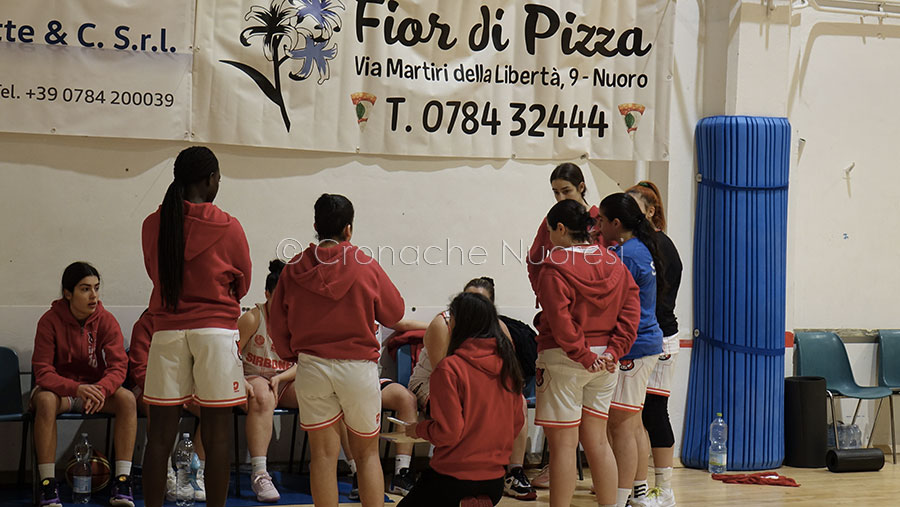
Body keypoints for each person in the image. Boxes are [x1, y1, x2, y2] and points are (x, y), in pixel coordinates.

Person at [268, 193, 405, 507]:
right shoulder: (364, 263)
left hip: (313, 367)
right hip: (357, 368)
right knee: (367, 454)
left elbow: (278, 326)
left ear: (315, 226)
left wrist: (294, 355)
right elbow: (395, 313)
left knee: (323, 457)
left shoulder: (293, 269)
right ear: (349, 229)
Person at [141, 146, 252, 507]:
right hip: (216, 332)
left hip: (167, 331)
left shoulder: (153, 224)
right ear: (210, 179)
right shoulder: (229, 225)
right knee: (219, 437)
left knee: (158, 438)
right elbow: (243, 283)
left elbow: (156, 275)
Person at [533, 200, 641, 507]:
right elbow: (632, 312)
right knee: (597, 441)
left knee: (564, 447)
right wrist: (613, 351)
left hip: (565, 359)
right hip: (605, 361)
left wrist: (582, 354)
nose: (549, 237)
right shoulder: (614, 262)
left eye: (551, 231)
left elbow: (559, 319)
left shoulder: (554, 265)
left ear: (562, 229)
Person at [407, 277, 536, 501]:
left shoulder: (450, 368)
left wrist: (418, 430)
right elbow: (516, 423)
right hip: (494, 481)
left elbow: (449, 431)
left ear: (458, 322)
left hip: (451, 477)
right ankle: (514, 473)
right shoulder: (508, 364)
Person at [31, 261, 137, 507]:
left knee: (127, 399)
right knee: (45, 401)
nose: (93, 296)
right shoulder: (49, 321)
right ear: (68, 293)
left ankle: (122, 481)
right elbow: (43, 371)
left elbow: (119, 367)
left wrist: (101, 389)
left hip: (94, 392)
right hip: (61, 393)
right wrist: (75, 388)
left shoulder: (106, 320)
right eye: (85, 289)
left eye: (96, 288)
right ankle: (48, 485)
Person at [596, 192, 666, 507]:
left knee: (621, 424)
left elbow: (608, 306)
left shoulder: (625, 255)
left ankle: (621, 498)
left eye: (601, 220)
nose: (596, 225)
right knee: (632, 421)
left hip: (635, 347)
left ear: (615, 222)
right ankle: (637, 492)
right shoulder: (637, 248)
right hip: (646, 344)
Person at [627, 181, 683, 507]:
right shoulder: (636, 245)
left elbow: (658, 303)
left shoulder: (659, 246)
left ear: (650, 210)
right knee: (630, 415)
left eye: (636, 208)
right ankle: (632, 484)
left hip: (659, 337)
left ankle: (664, 489)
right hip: (640, 340)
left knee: (653, 412)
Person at [236, 259, 299, 503]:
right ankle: (260, 473)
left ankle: (349, 467)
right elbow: (230, 356)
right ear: (267, 294)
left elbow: (302, 364)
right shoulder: (253, 318)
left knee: (323, 391)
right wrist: (239, 381)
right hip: (253, 377)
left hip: (284, 380)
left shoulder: (297, 320)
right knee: (262, 395)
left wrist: (281, 377)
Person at [128, 310, 207, 502]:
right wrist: (171, 393)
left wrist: (188, 392)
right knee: (158, 408)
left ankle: (194, 474)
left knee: (211, 409)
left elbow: (198, 364)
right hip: (148, 388)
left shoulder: (191, 321)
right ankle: (166, 473)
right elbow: (140, 370)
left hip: (183, 389)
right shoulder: (145, 324)